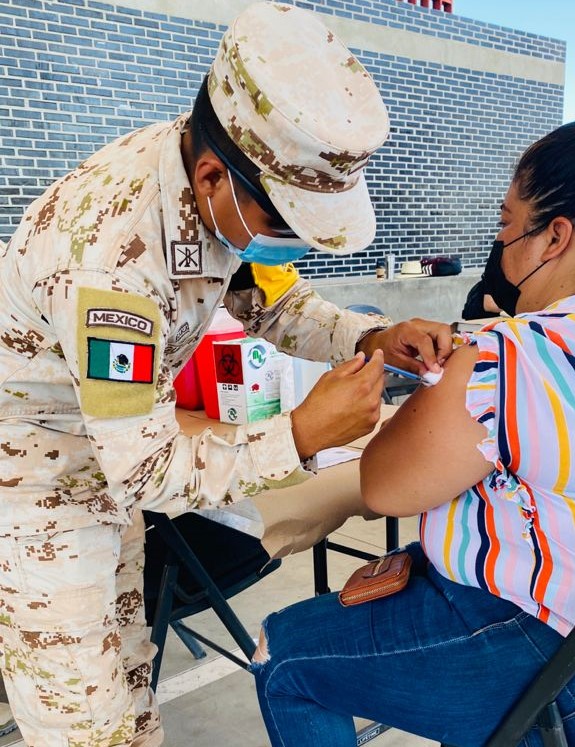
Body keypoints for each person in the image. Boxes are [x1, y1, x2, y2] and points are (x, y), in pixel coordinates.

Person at [0, 3, 451, 745]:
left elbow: (275, 304)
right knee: (83, 721)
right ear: (214, 176)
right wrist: (299, 434)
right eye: (287, 228)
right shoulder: (115, 262)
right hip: (35, 481)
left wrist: (372, 334)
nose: (294, 247)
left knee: (128, 678)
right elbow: (146, 470)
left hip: (106, 461)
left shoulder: (217, 195)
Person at [251, 121, 575, 747]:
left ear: (554, 237)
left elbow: (386, 488)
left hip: (531, 637)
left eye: (506, 224)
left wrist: (439, 387)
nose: (499, 243)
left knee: (283, 656)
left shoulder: (511, 353)